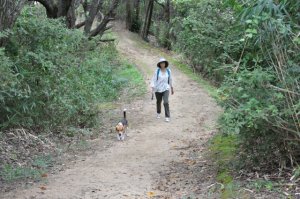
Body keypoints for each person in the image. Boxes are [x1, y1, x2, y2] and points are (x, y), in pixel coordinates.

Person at [151, 58, 174, 122]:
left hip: (166, 88)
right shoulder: (157, 71)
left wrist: (172, 88)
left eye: (163, 63)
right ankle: (158, 112)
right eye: (161, 63)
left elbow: (170, 79)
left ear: (165, 64)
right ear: (159, 64)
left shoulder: (168, 71)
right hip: (158, 88)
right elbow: (153, 79)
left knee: (166, 102)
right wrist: (152, 87)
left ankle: (167, 116)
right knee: (158, 101)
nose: (162, 64)